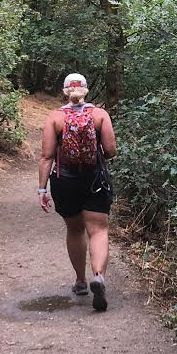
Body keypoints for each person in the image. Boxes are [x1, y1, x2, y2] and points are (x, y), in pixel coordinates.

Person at [38, 72, 117, 311]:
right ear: (86, 90)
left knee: (75, 230)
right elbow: (111, 150)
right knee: (99, 229)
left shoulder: (55, 118)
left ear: (64, 91)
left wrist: (42, 189)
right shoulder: (100, 115)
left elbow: (46, 156)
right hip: (95, 180)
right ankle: (99, 276)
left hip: (65, 182)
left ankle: (81, 282)